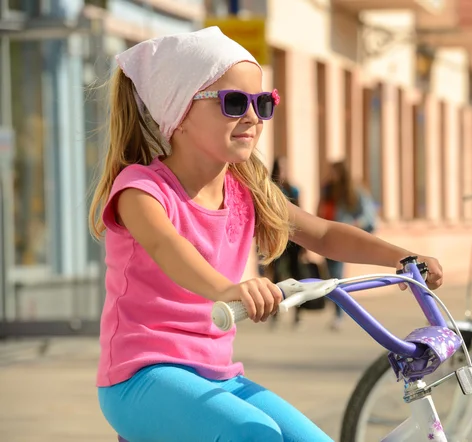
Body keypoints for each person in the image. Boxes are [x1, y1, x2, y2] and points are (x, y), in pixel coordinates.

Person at [88, 27, 443, 442]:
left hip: (217, 375)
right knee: (254, 434)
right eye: (234, 102)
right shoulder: (141, 190)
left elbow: (323, 234)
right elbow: (168, 246)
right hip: (139, 377)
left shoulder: (245, 192)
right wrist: (230, 289)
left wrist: (402, 258)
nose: (253, 116)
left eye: (263, 102)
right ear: (179, 114)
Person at [318, 161, 377, 330]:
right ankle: (338, 311)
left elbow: (368, 215)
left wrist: (353, 225)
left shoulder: (353, 191)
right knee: (329, 277)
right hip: (325, 238)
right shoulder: (327, 189)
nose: (331, 175)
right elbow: (320, 210)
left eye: (334, 172)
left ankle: (339, 314)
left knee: (337, 277)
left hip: (340, 238)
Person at [265, 156, 304, 327]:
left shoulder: (293, 190)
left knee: (297, 277)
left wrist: (304, 245)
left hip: (293, 241)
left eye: (285, 168)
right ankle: (275, 312)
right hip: (276, 239)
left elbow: (300, 216)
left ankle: (297, 314)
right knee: (277, 276)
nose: (282, 171)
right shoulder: (269, 189)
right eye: (280, 168)